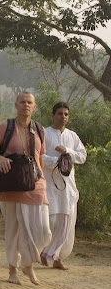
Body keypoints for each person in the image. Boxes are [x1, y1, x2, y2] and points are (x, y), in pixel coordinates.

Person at [0, 92, 51, 285]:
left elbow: (40, 158)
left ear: (34, 106)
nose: (26, 105)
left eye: (29, 102)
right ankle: (13, 269)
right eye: (22, 102)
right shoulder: (6, 126)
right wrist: (0, 158)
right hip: (11, 185)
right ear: (16, 105)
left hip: (35, 184)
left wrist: (42, 178)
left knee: (43, 230)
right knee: (13, 230)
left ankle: (28, 264)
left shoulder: (39, 129)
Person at [41, 102, 87, 270]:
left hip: (68, 187)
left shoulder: (72, 136)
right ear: (53, 115)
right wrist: (57, 162)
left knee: (65, 223)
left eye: (66, 114)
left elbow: (82, 157)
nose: (63, 117)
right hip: (50, 184)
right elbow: (39, 157)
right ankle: (44, 251)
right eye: (60, 113)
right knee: (50, 221)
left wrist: (67, 151)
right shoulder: (45, 134)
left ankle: (57, 257)